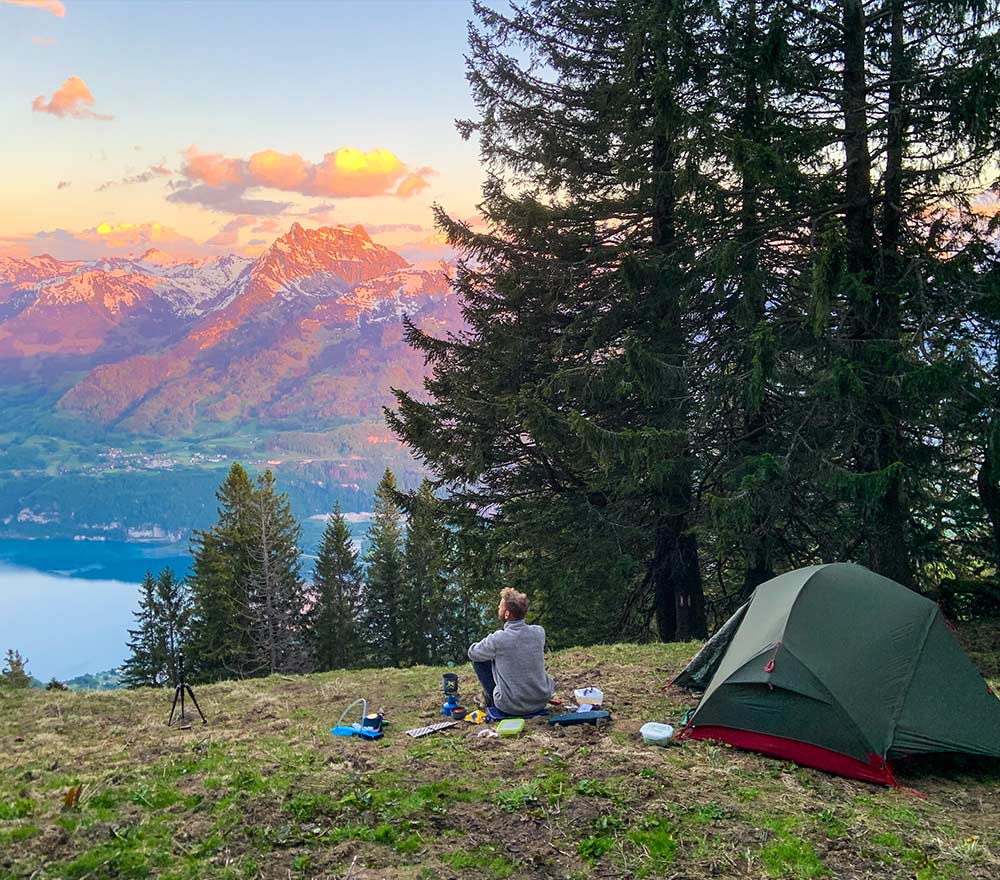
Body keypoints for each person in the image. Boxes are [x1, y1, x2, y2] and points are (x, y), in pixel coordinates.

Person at [468, 587, 555, 716]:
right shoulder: (539, 632)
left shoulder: (498, 639)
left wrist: (491, 649)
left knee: (479, 660)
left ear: (507, 614)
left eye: (500, 606)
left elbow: (472, 652)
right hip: (541, 701)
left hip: (511, 706)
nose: (498, 608)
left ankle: (491, 699)